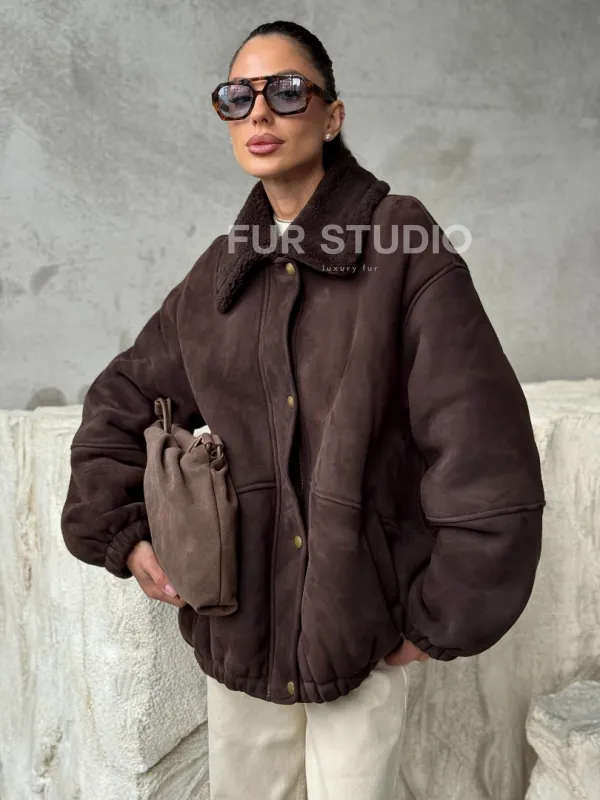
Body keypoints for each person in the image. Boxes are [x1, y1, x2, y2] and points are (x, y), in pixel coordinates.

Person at [61, 19, 546, 800]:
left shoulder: (401, 241)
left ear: (331, 115)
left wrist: (438, 615)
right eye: (237, 97)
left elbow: (481, 441)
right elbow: (122, 397)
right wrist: (124, 534)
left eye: (287, 92)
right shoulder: (222, 271)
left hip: (358, 635)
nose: (259, 113)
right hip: (239, 632)